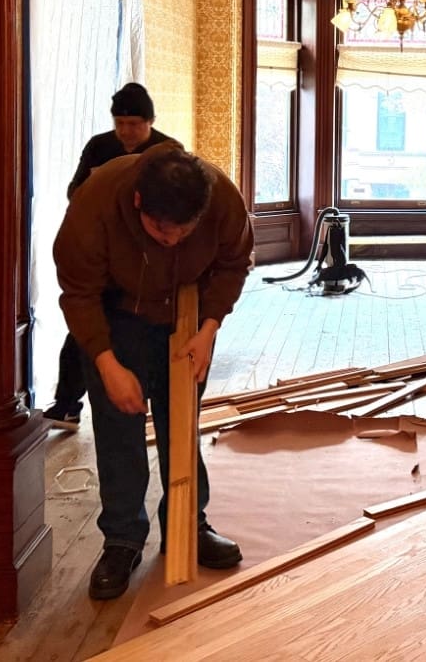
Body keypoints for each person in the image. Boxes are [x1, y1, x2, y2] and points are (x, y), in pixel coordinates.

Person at [54, 142, 255, 599]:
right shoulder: (97, 202)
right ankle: (122, 539)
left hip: (186, 317)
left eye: (184, 231)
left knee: (181, 419)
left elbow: (234, 263)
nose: (172, 240)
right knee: (118, 426)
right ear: (139, 201)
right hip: (116, 315)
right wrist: (106, 363)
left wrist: (209, 328)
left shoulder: (221, 198)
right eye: (161, 229)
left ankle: (189, 524)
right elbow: (79, 294)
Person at [39, 83, 173, 431]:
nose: (126, 131)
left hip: (146, 261)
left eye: (134, 124)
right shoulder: (99, 146)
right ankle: (67, 404)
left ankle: (148, 402)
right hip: (102, 255)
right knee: (83, 332)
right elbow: (75, 192)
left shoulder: (166, 151)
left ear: (150, 121)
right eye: (120, 124)